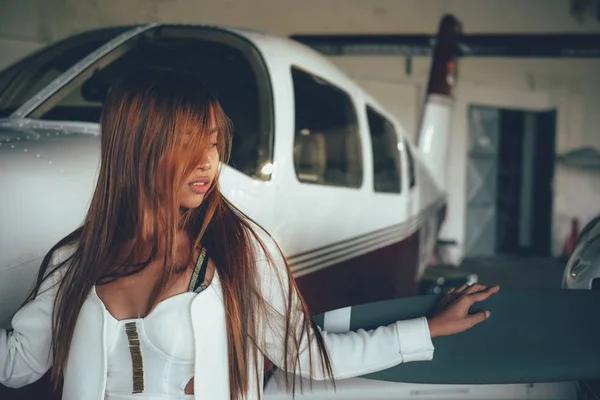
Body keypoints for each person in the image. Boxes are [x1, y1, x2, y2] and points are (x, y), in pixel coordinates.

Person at [0, 68, 499, 400]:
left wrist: (424, 330)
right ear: (138, 149)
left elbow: (305, 355)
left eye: (215, 144)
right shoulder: (74, 259)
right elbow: (19, 364)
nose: (208, 162)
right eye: (189, 145)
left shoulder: (238, 250)